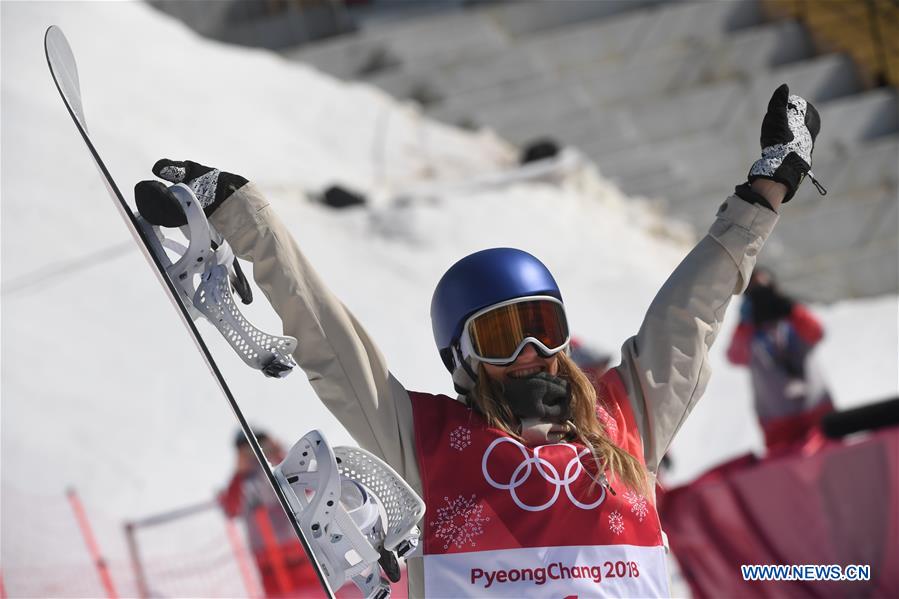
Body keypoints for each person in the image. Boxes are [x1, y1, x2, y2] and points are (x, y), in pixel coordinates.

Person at [137, 84, 822, 597]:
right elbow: (330, 346)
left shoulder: (624, 422)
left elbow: (689, 315)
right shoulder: (430, 441)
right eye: (499, 336)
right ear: (462, 358)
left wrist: (765, 191)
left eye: (542, 328)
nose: (529, 353)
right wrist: (244, 216)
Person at [726, 267, 834, 453]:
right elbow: (734, 357)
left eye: (766, 290)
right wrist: (744, 324)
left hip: (817, 409)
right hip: (777, 421)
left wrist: (791, 309)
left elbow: (817, 333)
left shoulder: (794, 319)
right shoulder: (749, 332)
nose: (762, 297)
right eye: (755, 292)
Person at [218, 430, 321, 598]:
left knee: (317, 592)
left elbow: (308, 485)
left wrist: (280, 454)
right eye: (247, 450)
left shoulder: (281, 469)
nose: (254, 453)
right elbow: (231, 510)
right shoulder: (240, 480)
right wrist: (239, 473)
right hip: (266, 560)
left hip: (299, 549)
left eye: (259, 445)